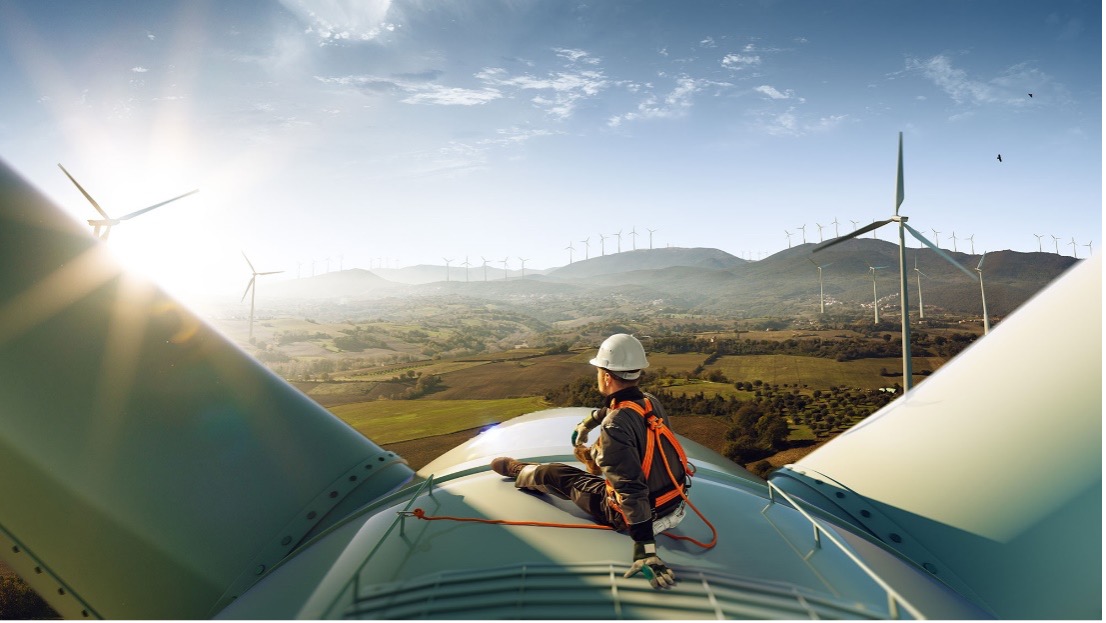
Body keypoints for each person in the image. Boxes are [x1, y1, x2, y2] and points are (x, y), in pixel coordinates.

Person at [490, 333, 688, 589]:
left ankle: (520, 471)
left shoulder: (615, 425)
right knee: (600, 469)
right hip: (676, 505)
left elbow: (631, 488)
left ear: (606, 376)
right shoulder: (650, 401)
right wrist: (589, 421)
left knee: (556, 473)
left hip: (641, 518)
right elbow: (620, 408)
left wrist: (645, 548)